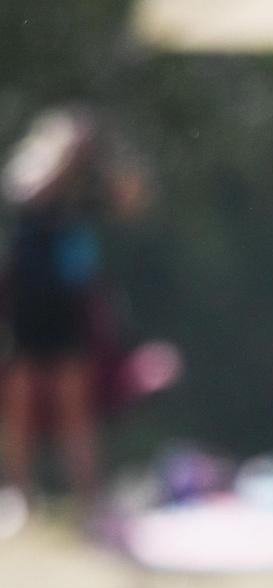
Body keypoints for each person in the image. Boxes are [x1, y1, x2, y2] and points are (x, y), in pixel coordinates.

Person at [0, 105, 147, 508]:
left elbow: (132, 201)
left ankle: (88, 499)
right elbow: (27, 192)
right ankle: (22, 497)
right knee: (19, 406)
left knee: (75, 408)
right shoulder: (32, 172)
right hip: (25, 307)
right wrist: (66, 156)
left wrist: (109, 158)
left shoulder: (85, 188)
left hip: (69, 309)